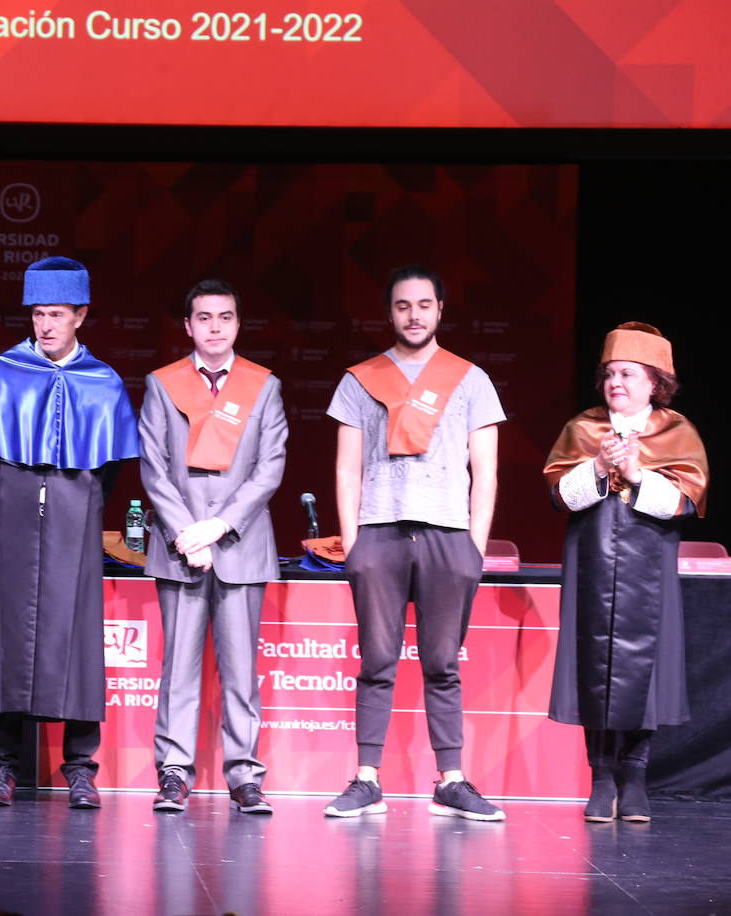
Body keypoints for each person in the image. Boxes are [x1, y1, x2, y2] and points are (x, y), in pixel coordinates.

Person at [0, 256, 139, 809]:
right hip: (12, 510)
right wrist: (18, 494)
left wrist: (70, 498)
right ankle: (1, 766)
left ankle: (80, 767)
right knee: (8, 636)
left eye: (58, 314)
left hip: (74, 510)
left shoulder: (100, 381)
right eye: (38, 314)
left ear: (80, 315)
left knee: (76, 634)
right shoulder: (4, 371)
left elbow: (109, 468)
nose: (47, 325)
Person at [323, 266, 506, 821]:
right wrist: (354, 542)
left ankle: (451, 780)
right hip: (379, 533)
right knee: (377, 660)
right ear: (391, 314)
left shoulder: (470, 378)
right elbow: (347, 469)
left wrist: (474, 545)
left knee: (442, 662)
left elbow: (487, 471)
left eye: (424, 305)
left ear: (440, 309)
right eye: (403, 306)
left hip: (449, 537)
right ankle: (366, 779)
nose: (414, 315)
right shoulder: (360, 379)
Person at [543, 322, 707, 823]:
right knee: (595, 666)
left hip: (648, 568)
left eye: (628, 374)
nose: (616, 382)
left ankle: (634, 777)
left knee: (646, 671)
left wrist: (636, 475)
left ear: (654, 382)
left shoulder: (676, 431)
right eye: (610, 373)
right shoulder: (583, 428)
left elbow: (684, 502)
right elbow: (558, 496)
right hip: (593, 562)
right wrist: (596, 467)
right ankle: (600, 778)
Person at [139, 279, 287, 815]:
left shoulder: (262, 386)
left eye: (225, 317)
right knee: (178, 666)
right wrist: (187, 532)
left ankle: (244, 775)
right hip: (181, 548)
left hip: (238, 546)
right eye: (204, 318)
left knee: (241, 671)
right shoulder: (163, 384)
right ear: (188, 326)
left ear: (237, 324)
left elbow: (270, 468)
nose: (215, 327)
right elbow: (153, 467)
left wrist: (219, 526)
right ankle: (174, 772)